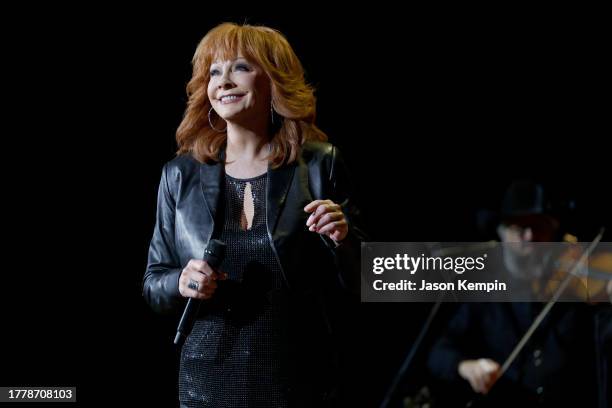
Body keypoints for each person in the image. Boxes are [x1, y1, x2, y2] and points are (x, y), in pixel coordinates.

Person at [142, 22, 365, 407]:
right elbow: (152, 282)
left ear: (273, 80)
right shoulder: (180, 174)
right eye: (214, 71)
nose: (224, 81)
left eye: (240, 67)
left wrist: (343, 240)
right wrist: (180, 281)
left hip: (297, 379)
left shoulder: (316, 164)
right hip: (206, 382)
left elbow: (364, 280)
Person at [426, 180, 611, 407]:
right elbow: (438, 351)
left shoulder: (576, 289)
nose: (530, 236)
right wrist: (467, 367)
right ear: (501, 232)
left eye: (540, 226)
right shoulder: (484, 292)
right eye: (520, 227)